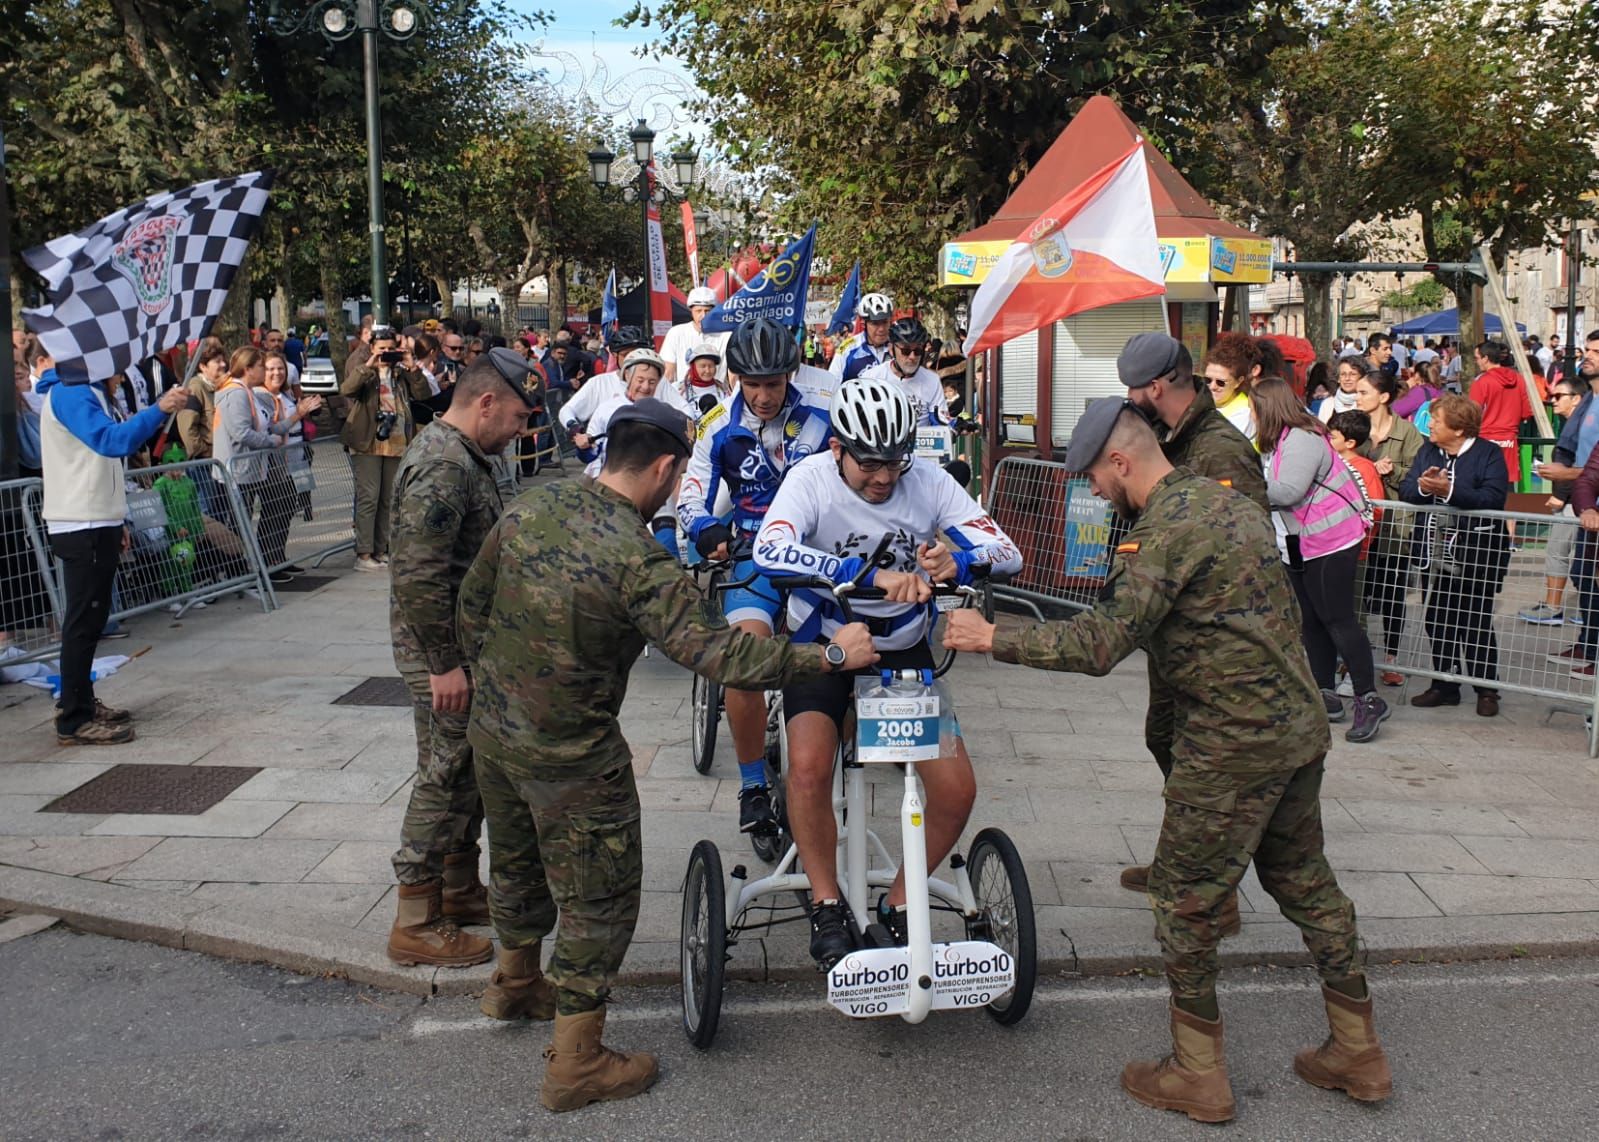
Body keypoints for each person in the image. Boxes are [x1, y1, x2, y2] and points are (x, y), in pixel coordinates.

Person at [941, 396, 1390, 1124]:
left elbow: (1097, 645)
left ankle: (1196, 1073)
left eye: (1092, 476)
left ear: (1121, 460)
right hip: (1294, 729)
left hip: (1230, 746)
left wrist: (992, 637)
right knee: (1307, 885)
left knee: (1183, 906)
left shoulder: (1168, 531)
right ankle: (1357, 1050)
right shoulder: (1228, 504)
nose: (1090, 491)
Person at [459, 398, 876, 1111]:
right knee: (599, 899)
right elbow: (715, 654)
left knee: (517, 862)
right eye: (677, 473)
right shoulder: (639, 559)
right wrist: (830, 652)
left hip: (494, 735)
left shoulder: (532, 505)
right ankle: (577, 1064)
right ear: (663, 467)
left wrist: (500, 688)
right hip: (575, 757)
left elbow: (471, 604)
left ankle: (515, 984)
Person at [753, 378, 1022, 968]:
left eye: (895, 462)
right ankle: (826, 904)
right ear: (838, 450)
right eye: (869, 463)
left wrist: (962, 557)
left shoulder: (926, 480)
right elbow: (769, 550)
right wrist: (868, 575)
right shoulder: (809, 479)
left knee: (955, 790)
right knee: (807, 768)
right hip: (823, 641)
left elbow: (1009, 550)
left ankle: (899, 906)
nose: (883, 477)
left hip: (901, 651)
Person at [386, 350, 541, 972]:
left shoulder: (464, 456)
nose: (523, 431)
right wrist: (444, 663)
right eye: (519, 416)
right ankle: (415, 919)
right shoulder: (445, 465)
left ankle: (456, 888)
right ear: (485, 403)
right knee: (444, 776)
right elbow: (418, 575)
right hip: (444, 655)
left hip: (465, 650)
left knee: (468, 772)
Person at [1114, 333, 1270, 902]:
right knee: (1167, 740)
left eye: (1134, 388)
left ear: (1155, 386)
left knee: (1200, 759)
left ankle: (1210, 888)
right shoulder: (1170, 437)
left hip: (1217, 639)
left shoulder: (1219, 449)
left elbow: (1245, 549)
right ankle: (1183, 860)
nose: (1129, 398)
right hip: (1176, 632)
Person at [678, 316, 834, 833]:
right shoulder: (718, 426)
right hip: (752, 556)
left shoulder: (823, 419)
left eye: (774, 383)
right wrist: (703, 528)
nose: (764, 395)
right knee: (744, 659)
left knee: (844, 661)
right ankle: (751, 784)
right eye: (753, 384)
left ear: (791, 374)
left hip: (816, 555)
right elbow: (692, 493)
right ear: (736, 379)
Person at [36, 346, 189, 745]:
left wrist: (118, 516)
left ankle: (80, 700)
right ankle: (72, 716)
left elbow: (104, 459)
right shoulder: (71, 393)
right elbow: (109, 441)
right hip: (80, 520)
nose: (120, 371)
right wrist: (158, 409)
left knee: (93, 616)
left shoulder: (86, 390)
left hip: (97, 517)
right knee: (84, 621)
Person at [1250, 378, 1388, 743]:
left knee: (1338, 620)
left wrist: (1240, 485)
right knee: (1310, 621)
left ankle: (1367, 698)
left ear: (1267, 409)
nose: (1251, 414)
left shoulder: (1301, 438)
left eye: (1253, 407)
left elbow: (1288, 491)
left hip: (1331, 541)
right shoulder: (1279, 441)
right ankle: (1324, 692)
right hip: (1301, 543)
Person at [1400, 394, 1510, 716]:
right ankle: (1444, 685)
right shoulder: (1428, 450)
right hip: (1432, 555)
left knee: (1476, 620)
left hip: (1476, 552)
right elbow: (1408, 489)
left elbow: (1491, 497)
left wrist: (1447, 491)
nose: (1430, 424)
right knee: (1437, 619)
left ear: (1459, 428)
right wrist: (1425, 487)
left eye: (1436, 419)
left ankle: (1486, 688)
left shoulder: (1488, 453)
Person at [213, 348, 321, 583]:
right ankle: (234, 571)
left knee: (274, 510)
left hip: (259, 467)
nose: (268, 372)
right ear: (249, 369)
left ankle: (265, 563)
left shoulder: (248, 393)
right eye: (264, 367)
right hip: (241, 470)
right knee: (239, 521)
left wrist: (295, 418)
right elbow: (242, 432)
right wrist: (270, 442)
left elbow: (270, 427)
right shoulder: (237, 394)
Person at [1353, 367, 1424, 686]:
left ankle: (1392, 657)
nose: (1357, 397)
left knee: (1393, 594)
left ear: (1383, 397)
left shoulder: (1408, 433)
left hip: (1396, 526)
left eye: (1363, 392)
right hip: (1359, 525)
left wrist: (1391, 471)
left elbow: (1417, 476)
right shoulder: (1354, 425)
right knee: (1360, 594)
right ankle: (1357, 657)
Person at [340, 326, 432, 572]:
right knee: (368, 496)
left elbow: (424, 394)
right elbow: (347, 389)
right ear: (372, 349)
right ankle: (364, 552)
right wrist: (369, 365)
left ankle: (382, 549)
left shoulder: (401, 374)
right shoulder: (366, 372)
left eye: (392, 349)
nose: (387, 354)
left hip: (397, 441)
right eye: (382, 350)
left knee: (388, 498)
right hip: (367, 441)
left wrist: (412, 366)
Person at [1525, 377, 1593, 628]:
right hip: (1577, 499)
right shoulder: (1576, 424)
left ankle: (1557, 608)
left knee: (1562, 553)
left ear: (1576, 398)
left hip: (1577, 501)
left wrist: (1561, 494)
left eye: (1558, 396)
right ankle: (1586, 610)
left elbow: (1579, 464)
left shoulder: (1582, 426)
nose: (1552, 401)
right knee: (1577, 558)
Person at [860, 315, 949, 426]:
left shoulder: (932, 380)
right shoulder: (871, 378)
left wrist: (955, 424)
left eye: (917, 350)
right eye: (906, 351)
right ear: (891, 349)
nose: (912, 357)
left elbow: (941, 422)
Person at [1468, 340, 1535, 487]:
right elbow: (1526, 412)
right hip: (1509, 438)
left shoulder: (1481, 381)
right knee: (1507, 487)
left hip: (1485, 438)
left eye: (1477, 358)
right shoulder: (1518, 378)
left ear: (1485, 358)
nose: (1476, 362)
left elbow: (1472, 414)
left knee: (1482, 485)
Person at [659, 285, 728, 384]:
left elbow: (733, 374)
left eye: (707, 311)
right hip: (684, 395)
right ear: (691, 311)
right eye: (698, 311)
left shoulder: (725, 335)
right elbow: (668, 372)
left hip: (717, 394)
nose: (703, 315)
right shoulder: (676, 333)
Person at [1201, 332, 1259, 442]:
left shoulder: (1245, 413)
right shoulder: (1203, 403)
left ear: (1238, 382)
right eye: (1207, 380)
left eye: (1221, 382)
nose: (1212, 386)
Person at [828, 292, 895, 381]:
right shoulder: (847, 348)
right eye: (875, 323)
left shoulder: (898, 347)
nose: (881, 329)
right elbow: (832, 382)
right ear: (864, 324)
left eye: (885, 322)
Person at [1317, 356, 1364, 424]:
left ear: (1361, 377)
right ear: (1338, 378)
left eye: (1353, 374)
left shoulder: (1366, 403)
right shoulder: (1328, 404)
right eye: (1343, 374)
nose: (1347, 378)